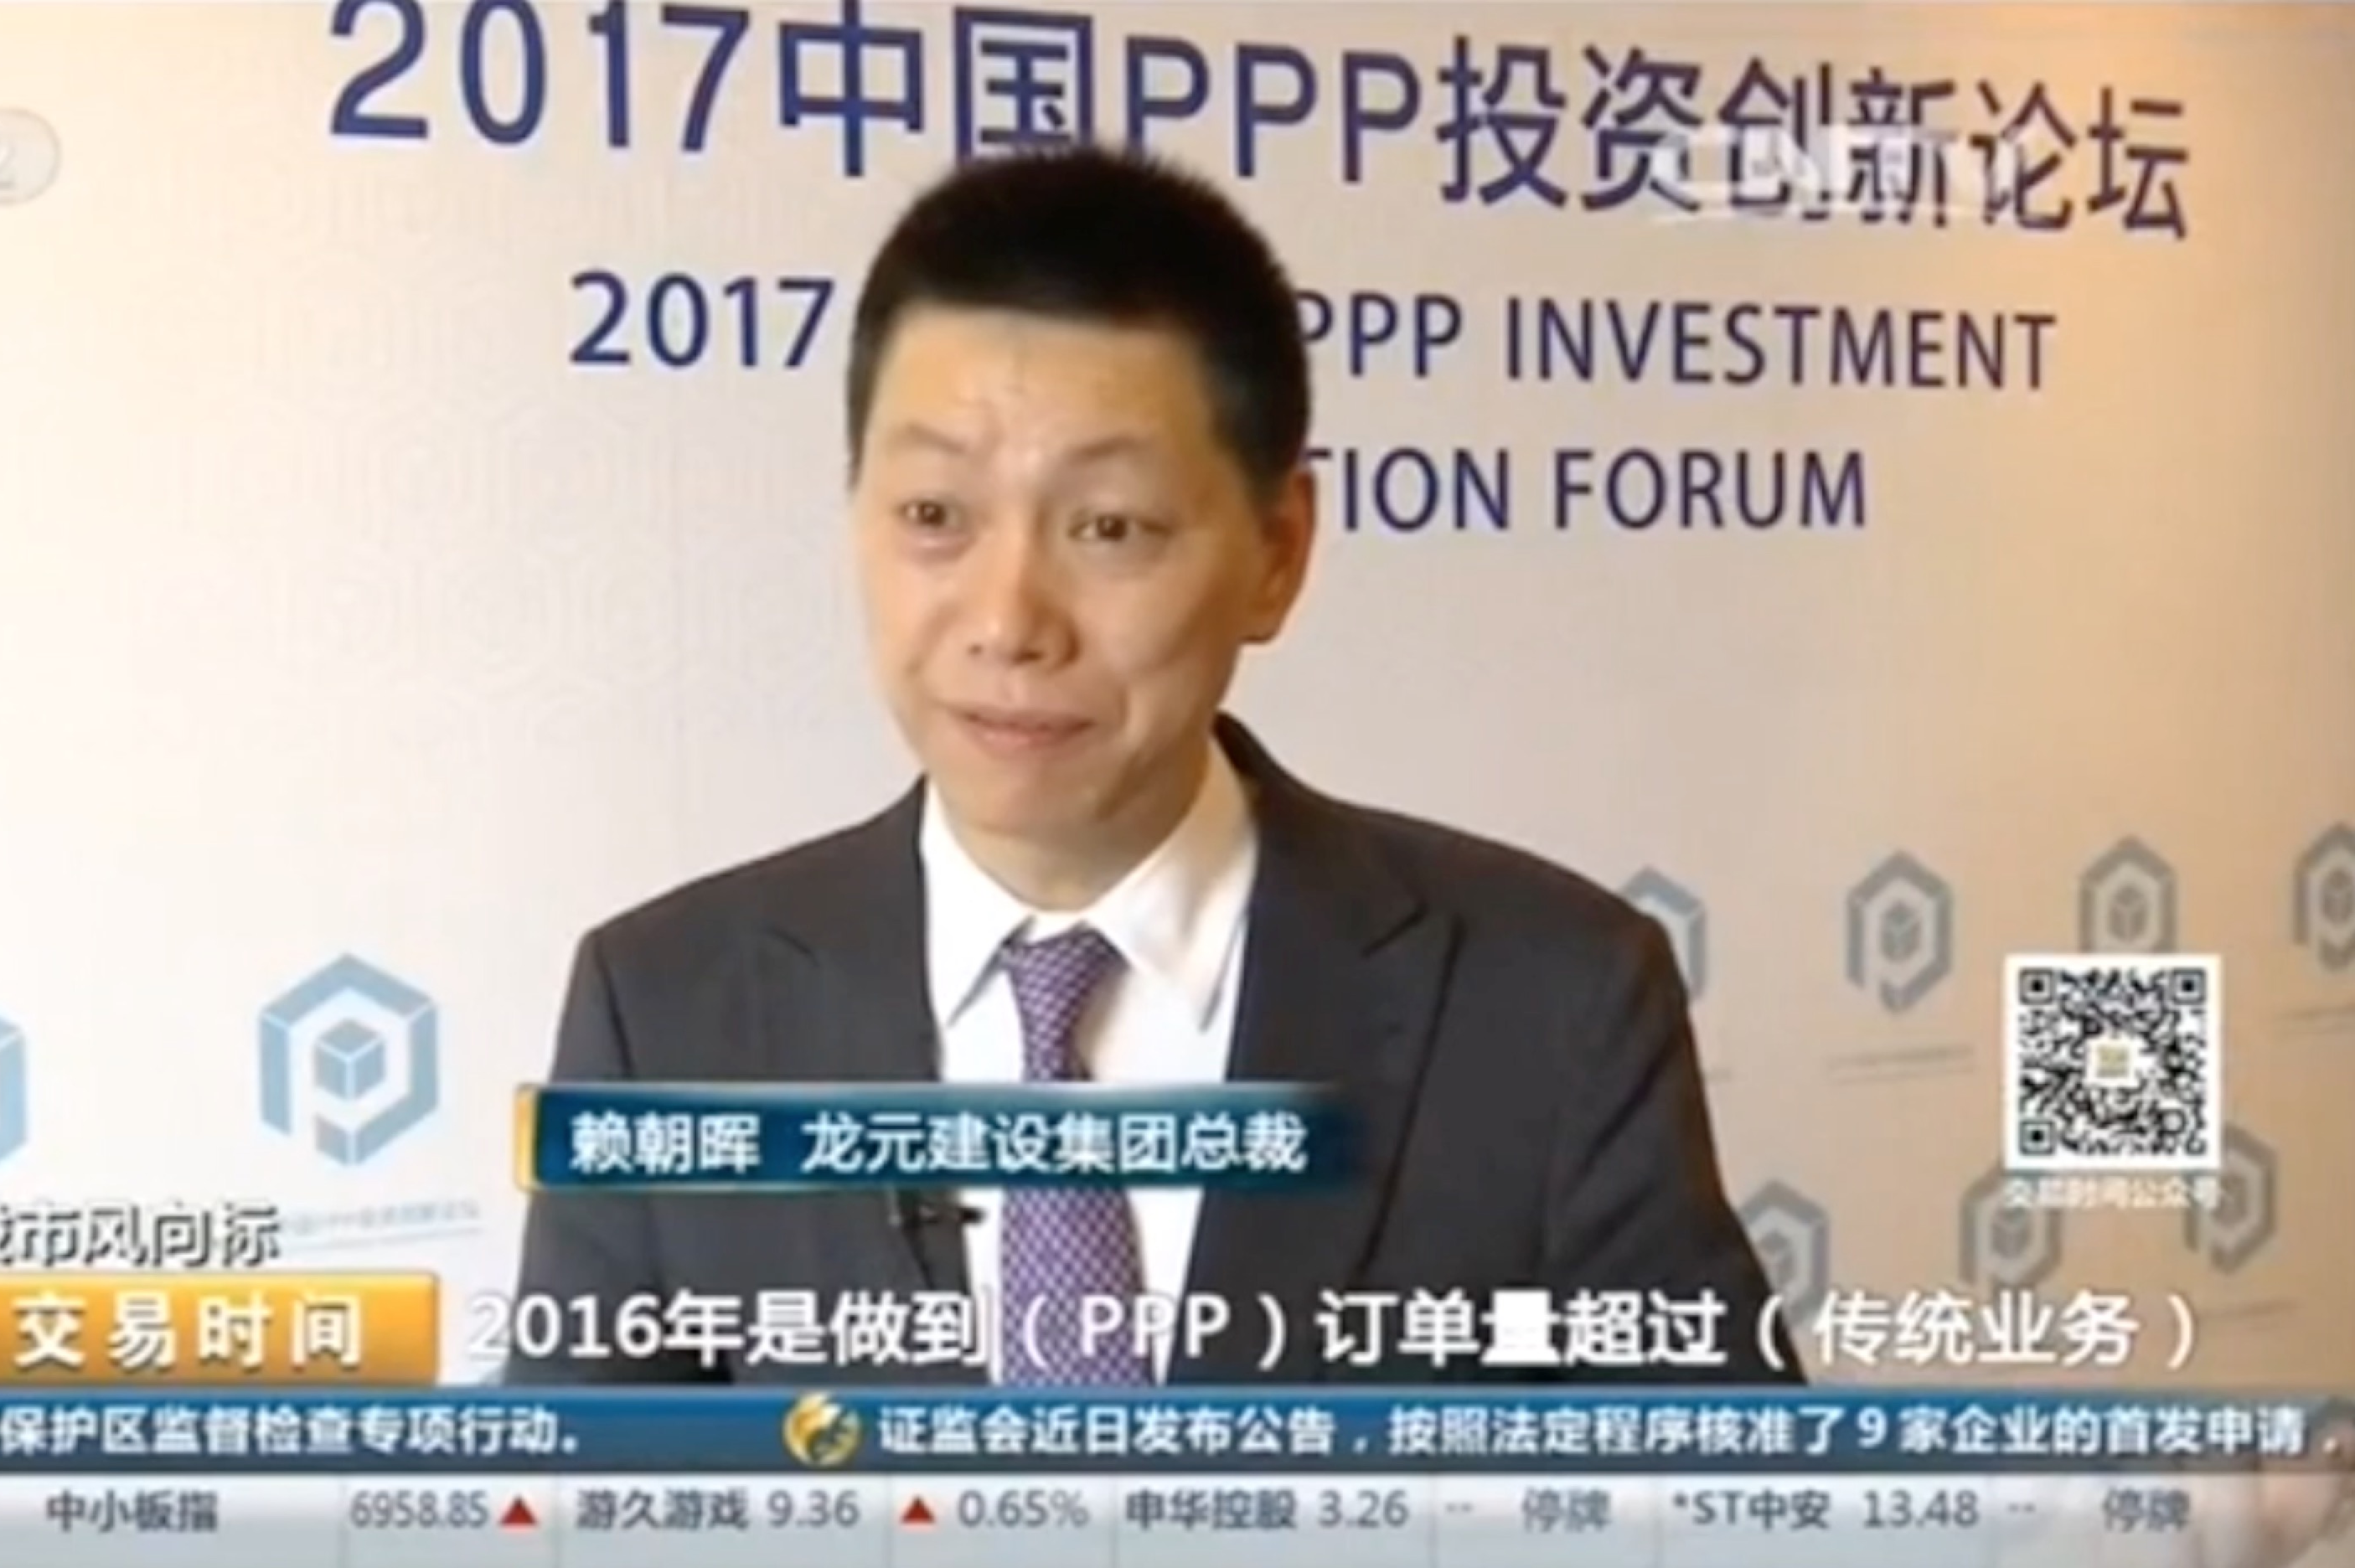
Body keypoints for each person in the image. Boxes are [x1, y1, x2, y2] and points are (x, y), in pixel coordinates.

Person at [508, 142, 1794, 1386]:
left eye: (1110, 526)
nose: (1008, 622)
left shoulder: (1549, 1001)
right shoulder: (663, 1013)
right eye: (934, 516)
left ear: (1277, 552)